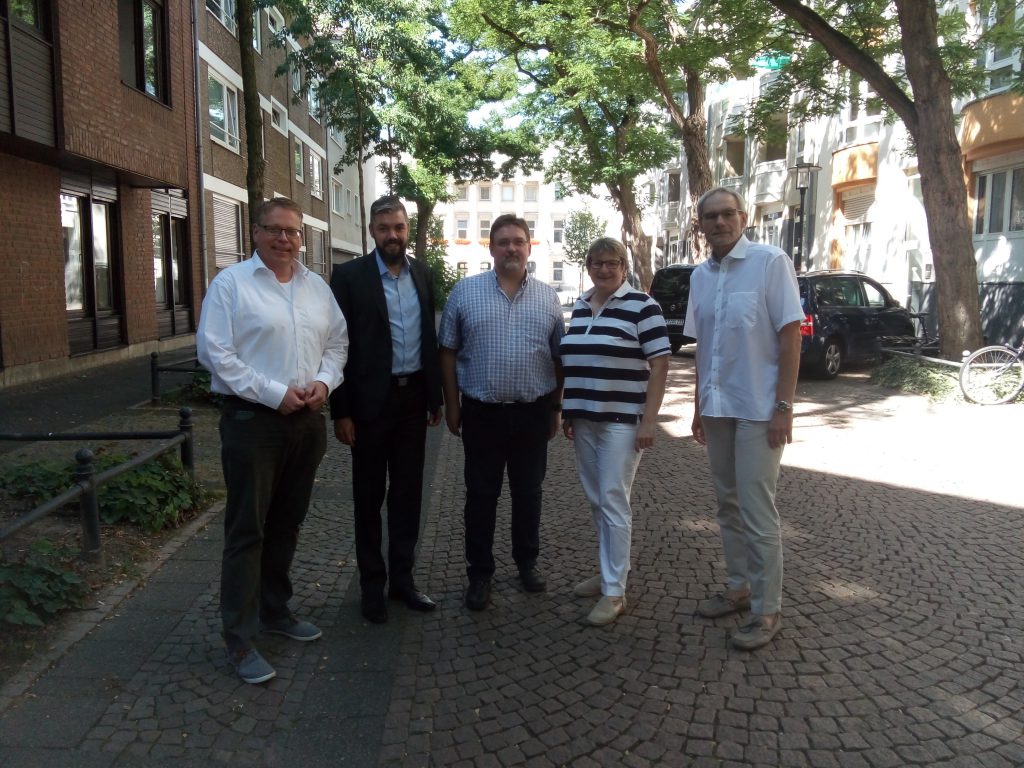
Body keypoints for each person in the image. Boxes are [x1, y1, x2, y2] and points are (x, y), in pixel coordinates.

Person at [197, 197, 349, 684]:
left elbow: (337, 343)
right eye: (275, 230)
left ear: (302, 237)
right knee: (248, 529)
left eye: (293, 231)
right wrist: (272, 393)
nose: (285, 239)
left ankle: (275, 610)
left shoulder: (316, 287)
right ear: (255, 232)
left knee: (287, 523)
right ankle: (240, 639)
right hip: (253, 422)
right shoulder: (231, 284)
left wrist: (324, 382)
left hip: (306, 421)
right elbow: (214, 353)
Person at [683, 187, 803, 651]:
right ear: (700, 225)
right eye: (710, 217)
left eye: (727, 214)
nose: (719, 222)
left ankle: (767, 610)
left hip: (759, 409)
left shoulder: (770, 263)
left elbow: (791, 337)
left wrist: (784, 407)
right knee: (727, 505)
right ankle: (738, 588)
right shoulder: (700, 276)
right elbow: (703, 346)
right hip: (718, 408)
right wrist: (698, 406)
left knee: (756, 509)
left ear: (743, 217)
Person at [438, 214, 565, 611]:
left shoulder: (548, 297)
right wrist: (452, 405)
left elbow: (559, 358)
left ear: (529, 247)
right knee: (480, 496)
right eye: (503, 241)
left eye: (518, 241)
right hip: (482, 414)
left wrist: (556, 409)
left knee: (529, 493)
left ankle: (527, 562)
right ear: (491, 247)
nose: (511, 248)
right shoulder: (465, 292)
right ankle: (479, 573)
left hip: (532, 413)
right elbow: (447, 352)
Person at [328, 195, 443, 624]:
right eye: (383, 228)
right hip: (368, 406)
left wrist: (435, 397)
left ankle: (403, 581)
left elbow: (428, 337)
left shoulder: (423, 274)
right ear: (372, 231)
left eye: (398, 227)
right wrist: (341, 411)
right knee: (368, 497)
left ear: (407, 229)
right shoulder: (349, 277)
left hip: (412, 401)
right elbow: (336, 346)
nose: (392, 235)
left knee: (408, 495)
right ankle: (371, 586)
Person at [560, 238, 670, 625]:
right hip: (584, 418)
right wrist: (570, 410)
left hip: (622, 421)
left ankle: (615, 592)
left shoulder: (643, 306)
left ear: (624, 267)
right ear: (588, 266)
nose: (604, 270)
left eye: (612, 263)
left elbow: (660, 364)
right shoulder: (581, 305)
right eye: (597, 263)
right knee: (597, 499)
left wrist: (650, 420)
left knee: (613, 498)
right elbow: (577, 359)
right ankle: (609, 570)